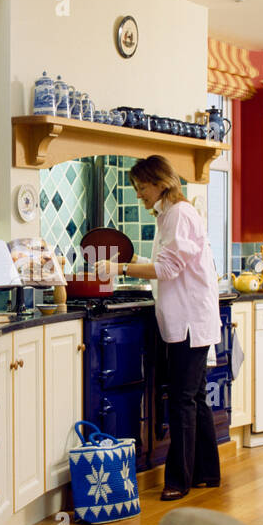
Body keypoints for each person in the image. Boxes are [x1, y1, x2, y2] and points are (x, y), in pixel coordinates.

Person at [95, 155, 221, 502]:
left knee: (183, 400)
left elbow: (167, 270)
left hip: (189, 322)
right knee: (194, 398)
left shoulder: (178, 214)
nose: (140, 195)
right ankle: (207, 473)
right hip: (189, 319)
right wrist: (131, 259)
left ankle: (178, 481)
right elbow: (168, 260)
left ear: (160, 181)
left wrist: (120, 269)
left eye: (142, 188)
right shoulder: (170, 214)